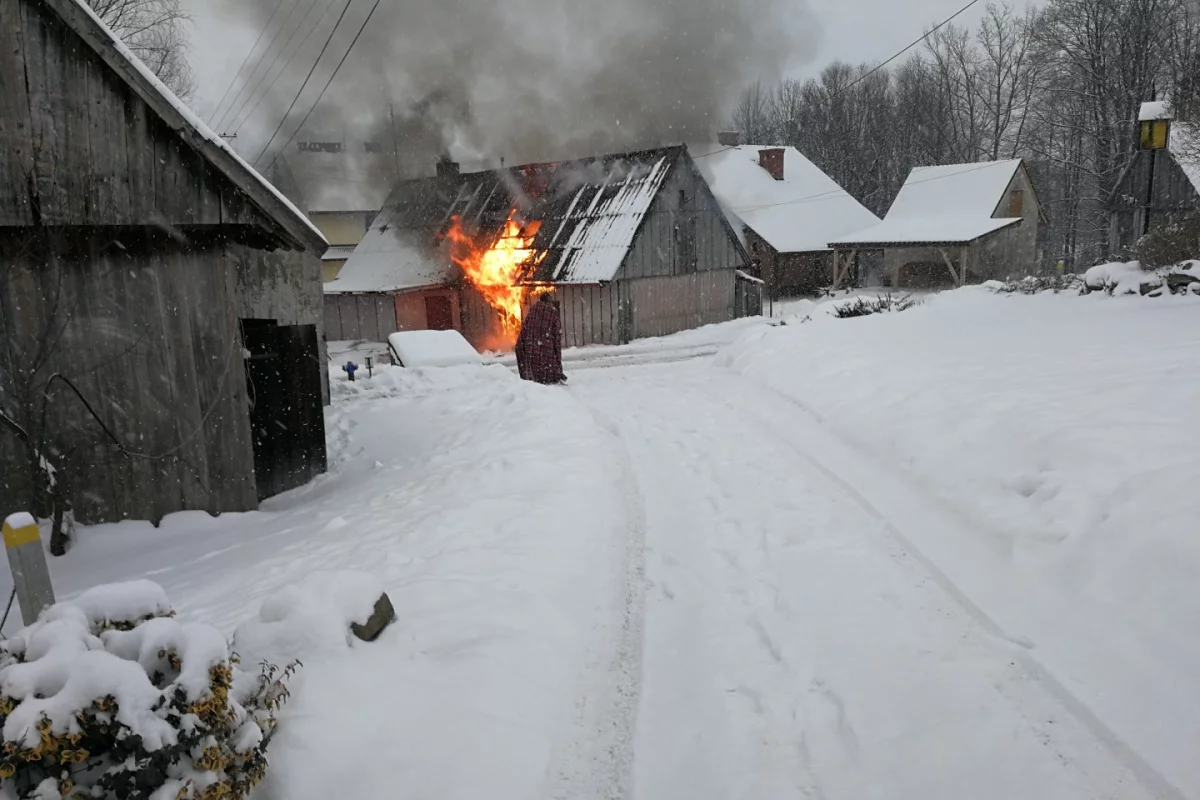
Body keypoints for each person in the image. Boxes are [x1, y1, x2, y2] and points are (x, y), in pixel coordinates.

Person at [515, 294, 566, 384]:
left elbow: (524, 330)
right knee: (548, 371)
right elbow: (556, 337)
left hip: (531, 347)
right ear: (549, 301)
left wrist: (521, 346)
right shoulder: (553, 312)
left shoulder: (532, 311)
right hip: (547, 348)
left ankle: (537, 382)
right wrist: (558, 363)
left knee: (536, 370)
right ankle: (548, 382)